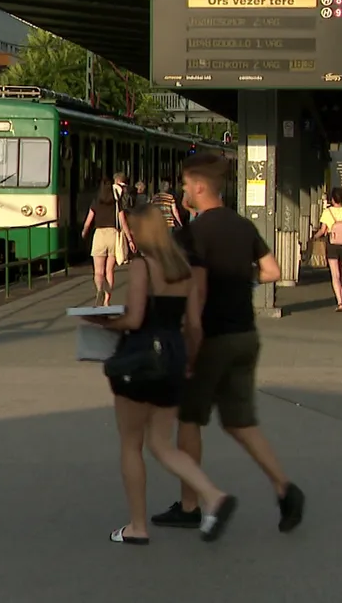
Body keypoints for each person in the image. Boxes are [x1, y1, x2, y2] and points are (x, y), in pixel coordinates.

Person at [151, 152, 305, 533]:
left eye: (186, 184)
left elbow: (197, 294)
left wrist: (190, 344)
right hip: (245, 336)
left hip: (213, 338)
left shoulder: (194, 234)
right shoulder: (242, 226)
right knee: (240, 423)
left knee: (189, 419)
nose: (183, 190)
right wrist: (239, 280)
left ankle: (191, 506)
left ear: (200, 186)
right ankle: (284, 488)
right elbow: (272, 271)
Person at [84, 204, 238, 545]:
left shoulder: (143, 266)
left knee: (131, 444)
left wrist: (103, 321)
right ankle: (212, 494)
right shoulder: (183, 268)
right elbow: (194, 326)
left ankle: (137, 527)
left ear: (139, 233)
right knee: (160, 442)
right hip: (173, 356)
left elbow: (135, 319)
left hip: (140, 359)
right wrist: (189, 362)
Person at [82, 180, 133, 306]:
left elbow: (89, 221)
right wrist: (130, 240)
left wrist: (84, 232)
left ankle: (99, 290)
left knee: (98, 272)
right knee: (109, 270)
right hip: (113, 235)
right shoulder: (116, 203)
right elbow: (123, 222)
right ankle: (106, 300)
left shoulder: (95, 202)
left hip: (99, 235)